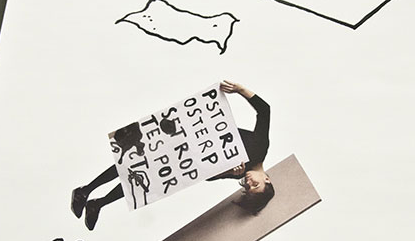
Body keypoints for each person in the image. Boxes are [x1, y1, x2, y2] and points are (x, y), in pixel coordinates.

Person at [71, 81, 275, 230]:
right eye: (255, 185)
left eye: (248, 188)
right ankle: (85, 191)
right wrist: (240, 90)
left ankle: (98, 203)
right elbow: (264, 111)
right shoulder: (260, 148)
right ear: (267, 179)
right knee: (132, 161)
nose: (249, 183)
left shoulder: (239, 172)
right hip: (181, 138)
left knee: (142, 179)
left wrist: (227, 172)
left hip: (180, 158)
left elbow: (206, 175)